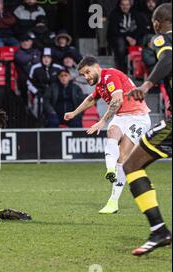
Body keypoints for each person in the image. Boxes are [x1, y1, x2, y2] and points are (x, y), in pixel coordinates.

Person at [64, 56, 152, 215]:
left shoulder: (109, 75)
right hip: (121, 115)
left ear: (96, 67)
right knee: (112, 132)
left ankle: (113, 201)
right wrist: (74, 113)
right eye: (83, 75)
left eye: (87, 72)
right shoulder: (100, 84)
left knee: (123, 156)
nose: (86, 76)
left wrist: (102, 121)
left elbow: (117, 99)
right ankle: (110, 169)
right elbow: (91, 98)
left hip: (138, 117)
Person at [124, 3, 171, 256]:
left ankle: (159, 230)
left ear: (156, 23)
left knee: (131, 166)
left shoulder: (164, 38)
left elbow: (169, 59)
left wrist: (146, 86)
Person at [107, 0, 146, 74]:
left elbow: (141, 28)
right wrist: (127, 37)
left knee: (144, 41)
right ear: (120, 5)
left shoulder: (136, 14)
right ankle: (121, 71)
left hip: (134, 38)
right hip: (119, 38)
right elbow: (113, 31)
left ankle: (141, 71)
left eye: (127, 5)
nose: (125, 7)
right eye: (123, 5)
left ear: (130, 5)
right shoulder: (114, 14)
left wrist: (135, 39)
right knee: (120, 44)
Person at [14, 32, 41, 98]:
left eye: (27, 41)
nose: (25, 43)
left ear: (31, 42)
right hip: (24, 79)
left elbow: (38, 61)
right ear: (20, 43)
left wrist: (30, 59)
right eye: (23, 41)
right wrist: (33, 57)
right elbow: (23, 60)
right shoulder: (18, 52)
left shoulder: (36, 51)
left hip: (36, 78)